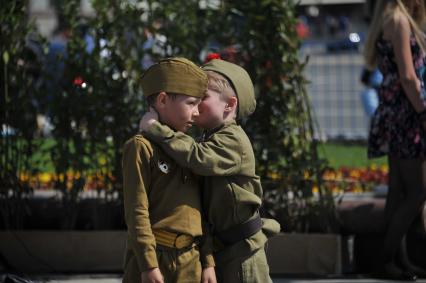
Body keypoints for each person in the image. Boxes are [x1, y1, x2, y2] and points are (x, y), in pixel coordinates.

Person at [140, 59, 281, 282]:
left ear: (229, 104)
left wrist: (157, 130)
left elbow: (198, 158)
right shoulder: (210, 137)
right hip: (222, 249)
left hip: (243, 253)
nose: (195, 104)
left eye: (202, 97)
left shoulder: (233, 140)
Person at [122, 57, 216, 283]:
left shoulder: (189, 150)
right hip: (156, 260)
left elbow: (200, 210)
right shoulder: (140, 147)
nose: (196, 112)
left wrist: (208, 261)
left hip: (190, 263)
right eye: (191, 103)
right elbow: (137, 212)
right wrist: (148, 264)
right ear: (163, 99)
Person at [364, 0, 426, 279]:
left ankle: (396, 262)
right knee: (417, 191)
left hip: (394, 112)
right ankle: (386, 259)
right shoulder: (399, 20)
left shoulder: (387, 17)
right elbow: (408, 76)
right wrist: (423, 111)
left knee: (398, 192)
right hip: (406, 114)